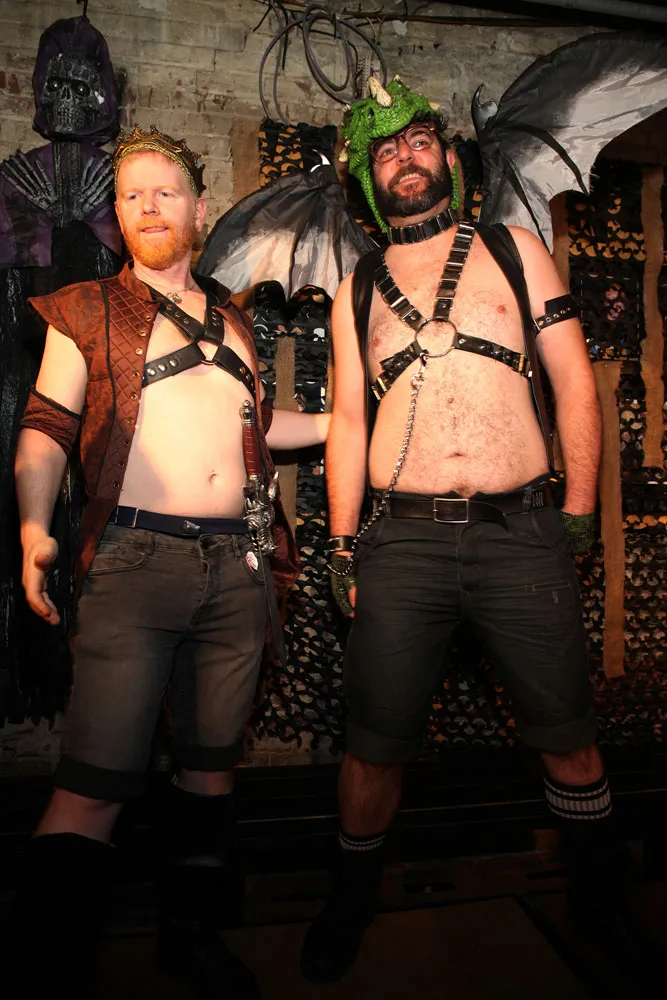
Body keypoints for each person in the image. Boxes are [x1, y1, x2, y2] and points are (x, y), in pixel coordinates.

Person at [300, 77, 656, 988]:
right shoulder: (354, 289)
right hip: (401, 544)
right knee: (373, 744)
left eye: (418, 140)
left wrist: (578, 511)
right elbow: (346, 423)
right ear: (368, 182)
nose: (405, 157)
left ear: (450, 159)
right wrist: (339, 544)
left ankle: (598, 899)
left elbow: (573, 382)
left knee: (567, 734)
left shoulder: (515, 248)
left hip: (520, 532)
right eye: (385, 151)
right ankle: (349, 900)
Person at [11, 124, 328, 999]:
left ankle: (189, 943)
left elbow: (256, 426)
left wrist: (347, 422)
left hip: (239, 570)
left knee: (210, 769)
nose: (147, 206)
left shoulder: (232, 318)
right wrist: (34, 529)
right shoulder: (85, 308)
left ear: (197, 207)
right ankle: (46, 970)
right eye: (130, 195)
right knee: (95, 783)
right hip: (136, 563)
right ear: (117, 216)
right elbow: (45, 429)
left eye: (164, 192)